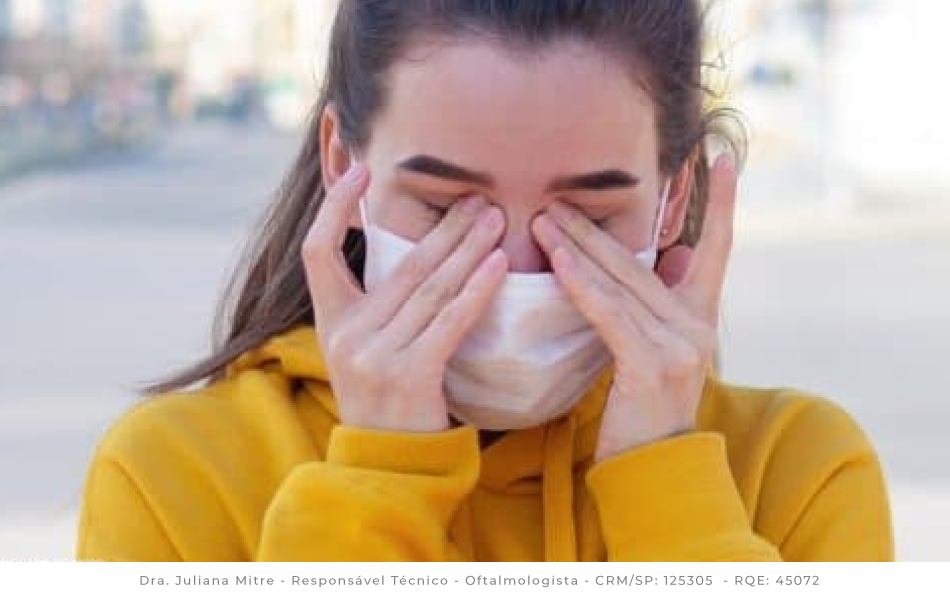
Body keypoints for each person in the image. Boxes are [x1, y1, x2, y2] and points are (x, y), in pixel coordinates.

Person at [76, 0, 893, 561]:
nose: (514, 275)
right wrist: (380, 477)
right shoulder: (172, 477)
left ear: (675, 194)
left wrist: (667, 487)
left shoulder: (798, 474)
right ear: (341, 163)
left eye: (589, 217)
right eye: (446, 210)